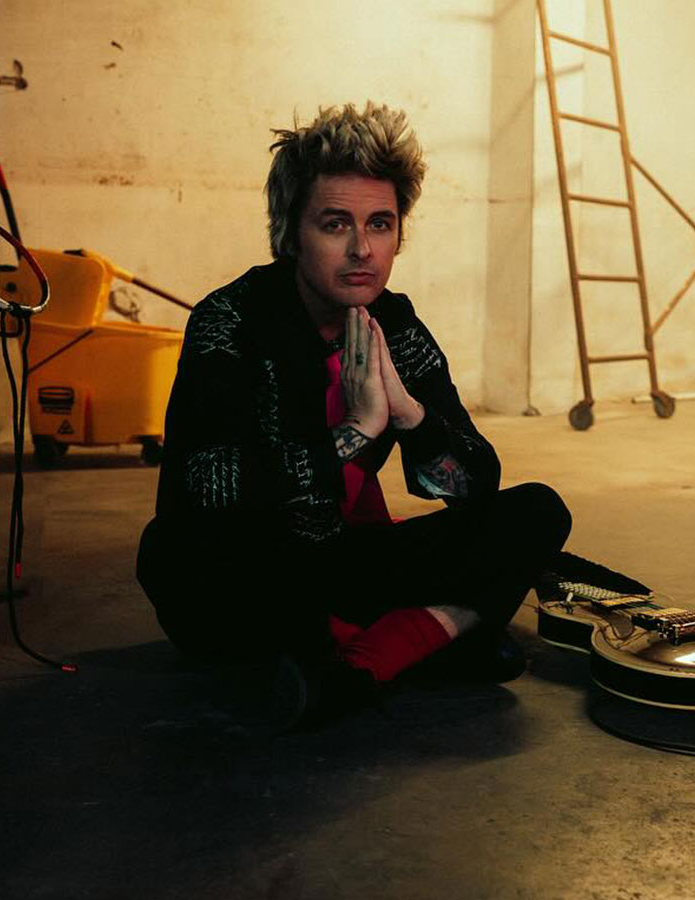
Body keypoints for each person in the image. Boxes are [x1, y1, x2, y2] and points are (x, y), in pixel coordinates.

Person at [137, 102, 573, 731]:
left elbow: (476, 483)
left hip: (346, 560)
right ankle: (429, 637)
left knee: (538, 513)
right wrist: (352, 435)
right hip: (255, 565)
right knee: (171, 556)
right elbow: (213, 486)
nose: (362, 249)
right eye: (335, 224)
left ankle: (358, 665)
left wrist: (411, 416)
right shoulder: (228, 319)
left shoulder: (394, 325)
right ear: (290, 231)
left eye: (381, 224)